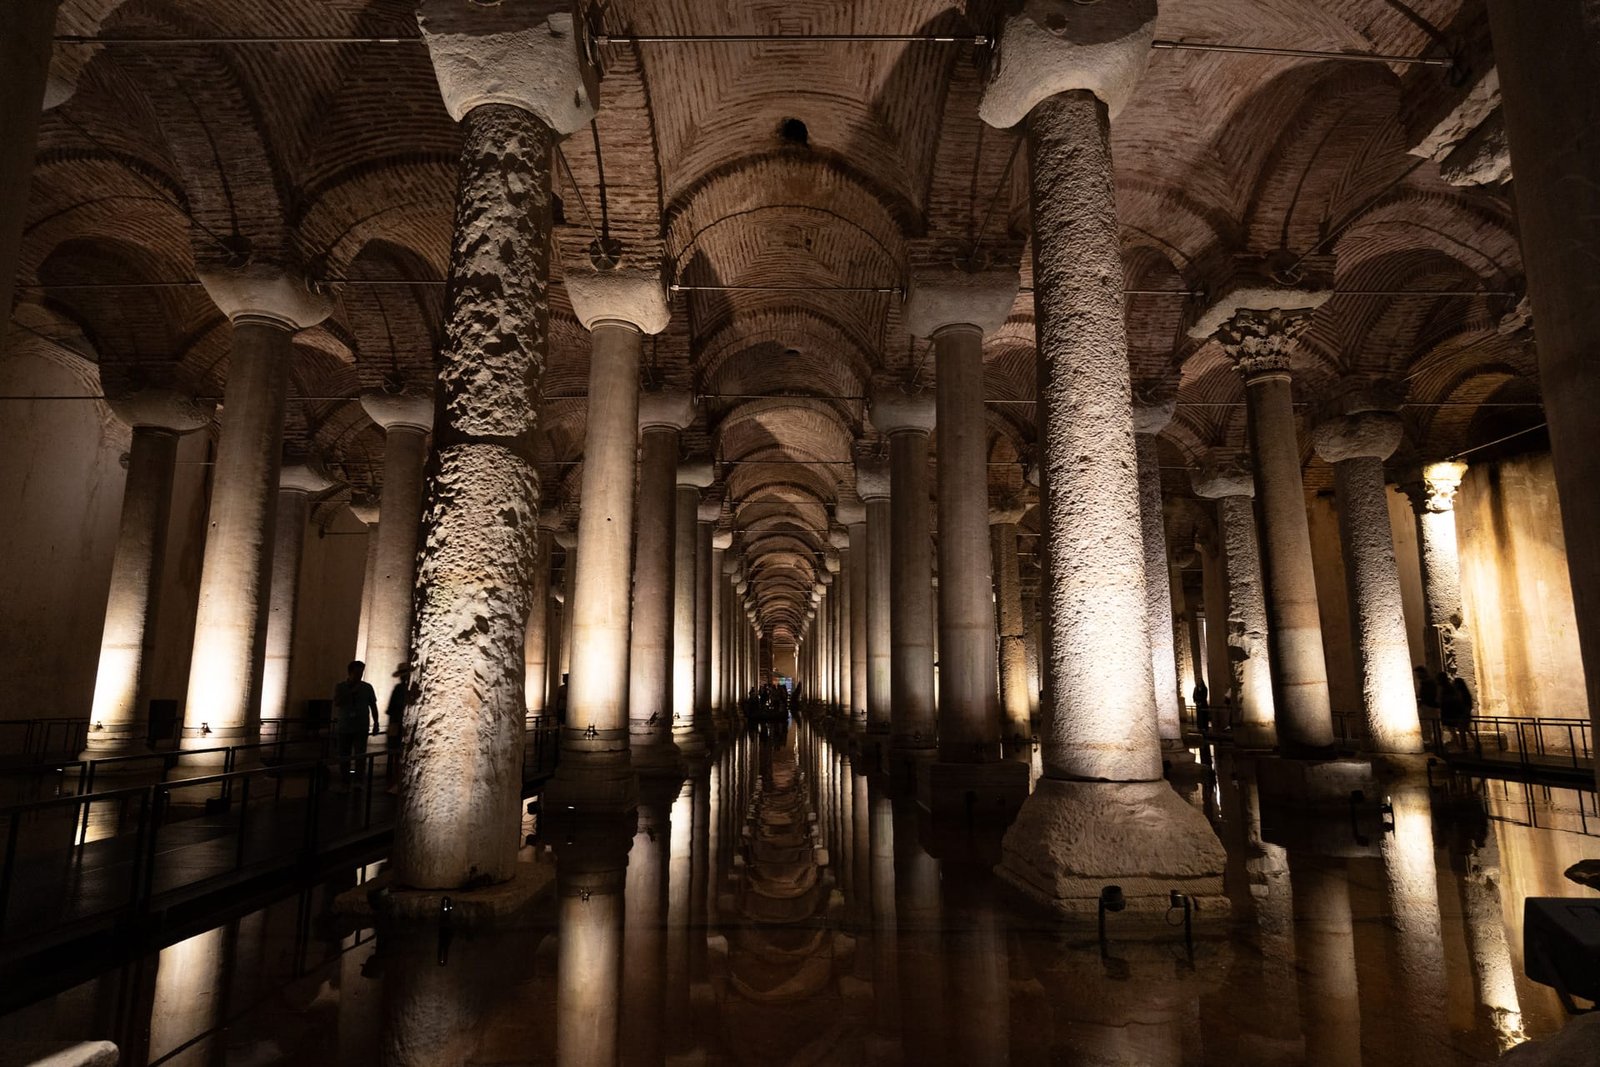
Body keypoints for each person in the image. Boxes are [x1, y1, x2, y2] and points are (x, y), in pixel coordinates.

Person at [334, 660, 380, 785]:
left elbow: (373, 706)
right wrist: (350, 693)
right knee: (344, 756)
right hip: (345, 726)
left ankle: (359, 781)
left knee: (360, 755)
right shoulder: (341, 687)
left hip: (361, 726)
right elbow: (337, 702)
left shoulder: (367, 687)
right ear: (350, 673)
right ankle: (345, 781)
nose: (360, 675)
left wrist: (376, 722)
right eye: (357, 673)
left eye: (361, 673)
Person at [1438, 670, 1467, 749]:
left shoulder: (1447, 687)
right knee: (1454, 729)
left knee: (1453, 729)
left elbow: (1443, 699)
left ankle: (1458, 745)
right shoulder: (1449, 686)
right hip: (1451, 710)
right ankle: (1459, 745)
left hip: (1449, 710)